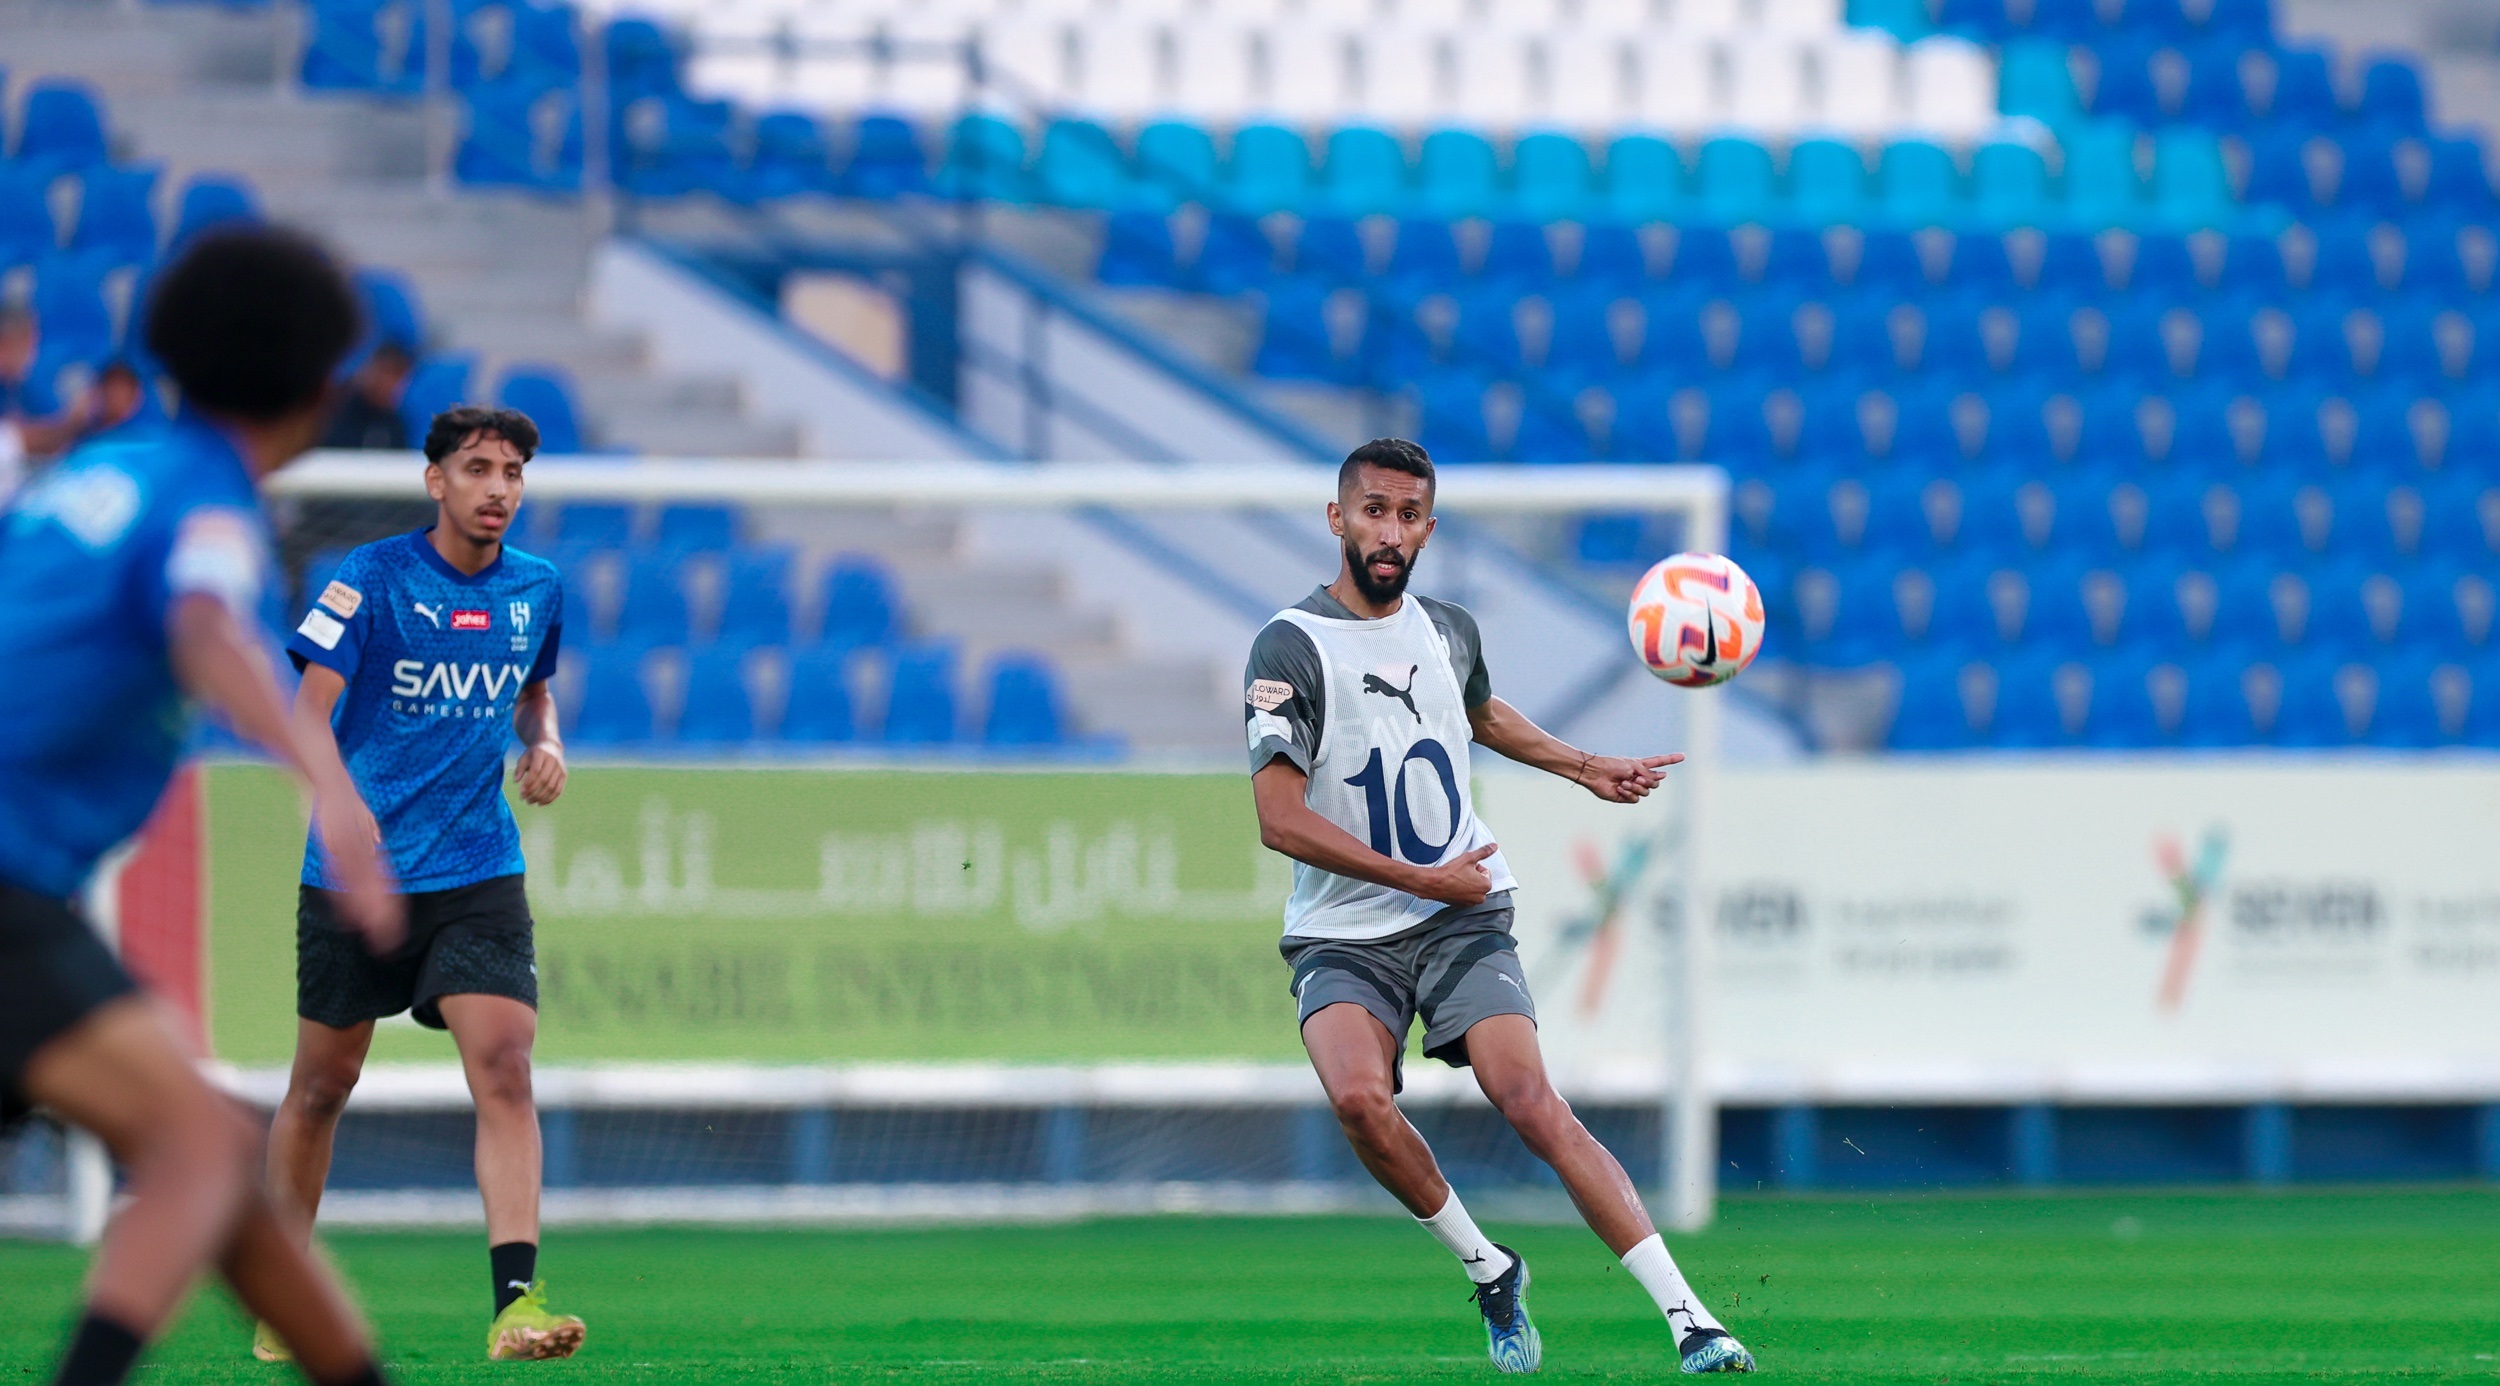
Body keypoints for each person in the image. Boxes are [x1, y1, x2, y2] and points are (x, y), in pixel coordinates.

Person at [1243, 439, 1756, 1376]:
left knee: (1527, 1098)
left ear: (1428, 529)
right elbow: (1279, 820)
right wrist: (1419, 878)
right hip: (1345, 929)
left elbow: (1478, 712)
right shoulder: (1290, 645)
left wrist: (1583, 765)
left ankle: (1693, 1321)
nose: (1389, 531)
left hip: (1462, 912)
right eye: (1372, 511)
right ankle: (1490, 1269)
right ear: (1337, 519)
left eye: (1408, 516)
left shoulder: (1448, 628)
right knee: (1359, 1100)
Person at [0, 227, 406, 1386]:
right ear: (324, 391)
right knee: (193, 1143)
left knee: (216, 1151)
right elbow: (204, 627)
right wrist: (328, 788)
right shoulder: (206, 501)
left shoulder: (96, 471)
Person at [259, 404, 585, 1364]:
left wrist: (548, 742)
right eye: (480, 468)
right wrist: (341, 806)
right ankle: (283, 1288)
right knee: (323, 1087)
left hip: (478, 866)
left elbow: (532, 690)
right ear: (435, 480)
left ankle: (516, 1305)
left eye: (514, 472)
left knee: (505, 1063)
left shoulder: (539, 588)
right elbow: (305, 710)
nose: (499, 488)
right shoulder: (370, 581)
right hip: (356, 878)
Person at [318, 340, 413, 450]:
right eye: (384, 372)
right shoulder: (335, 412)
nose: (388, 383)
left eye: (397, 376)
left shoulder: (395, 424)